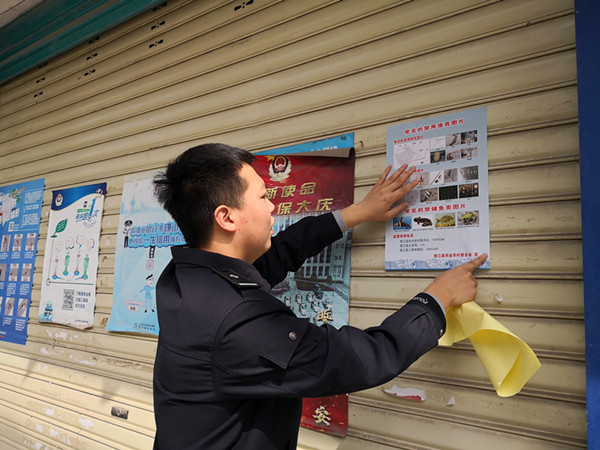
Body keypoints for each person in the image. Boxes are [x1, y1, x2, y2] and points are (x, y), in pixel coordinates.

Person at [152, 143, 487, 449]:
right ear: (226, 217)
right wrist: (435, 301)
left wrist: (357, 212)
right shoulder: (235, 319)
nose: (273, 208)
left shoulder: (187, 275)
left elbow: (277, 255)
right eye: (264, 197)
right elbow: (362, 359)